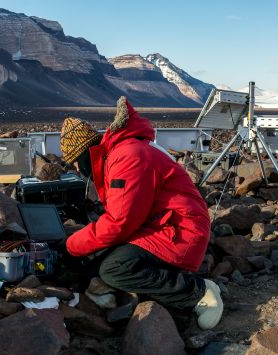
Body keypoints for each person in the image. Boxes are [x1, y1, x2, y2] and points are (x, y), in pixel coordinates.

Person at [59, 96, 223, 330]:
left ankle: (197, 292)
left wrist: (70, 246)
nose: (77, 169)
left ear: (84, 154)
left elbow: (120, 222)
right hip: (164, 226)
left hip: (181, 232)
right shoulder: (120, 153)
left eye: (76, 162)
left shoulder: (126, 157)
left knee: (114, 268)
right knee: (101, 259)